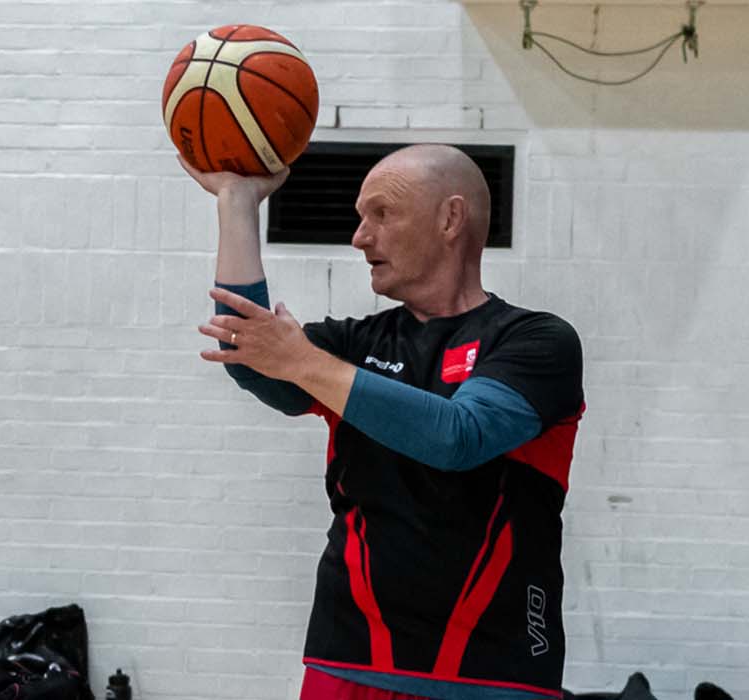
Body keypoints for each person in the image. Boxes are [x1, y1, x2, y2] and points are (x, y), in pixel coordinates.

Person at [187, 145, 584, 700]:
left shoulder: (536, 340)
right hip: (347, 659)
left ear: (450, 218)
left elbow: (458, 436)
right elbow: (246, 346)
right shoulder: (354, 344)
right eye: (358, 218)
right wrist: (238, 199)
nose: (359, 236)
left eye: (381, 214)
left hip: (492, 670)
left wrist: (301, 358)